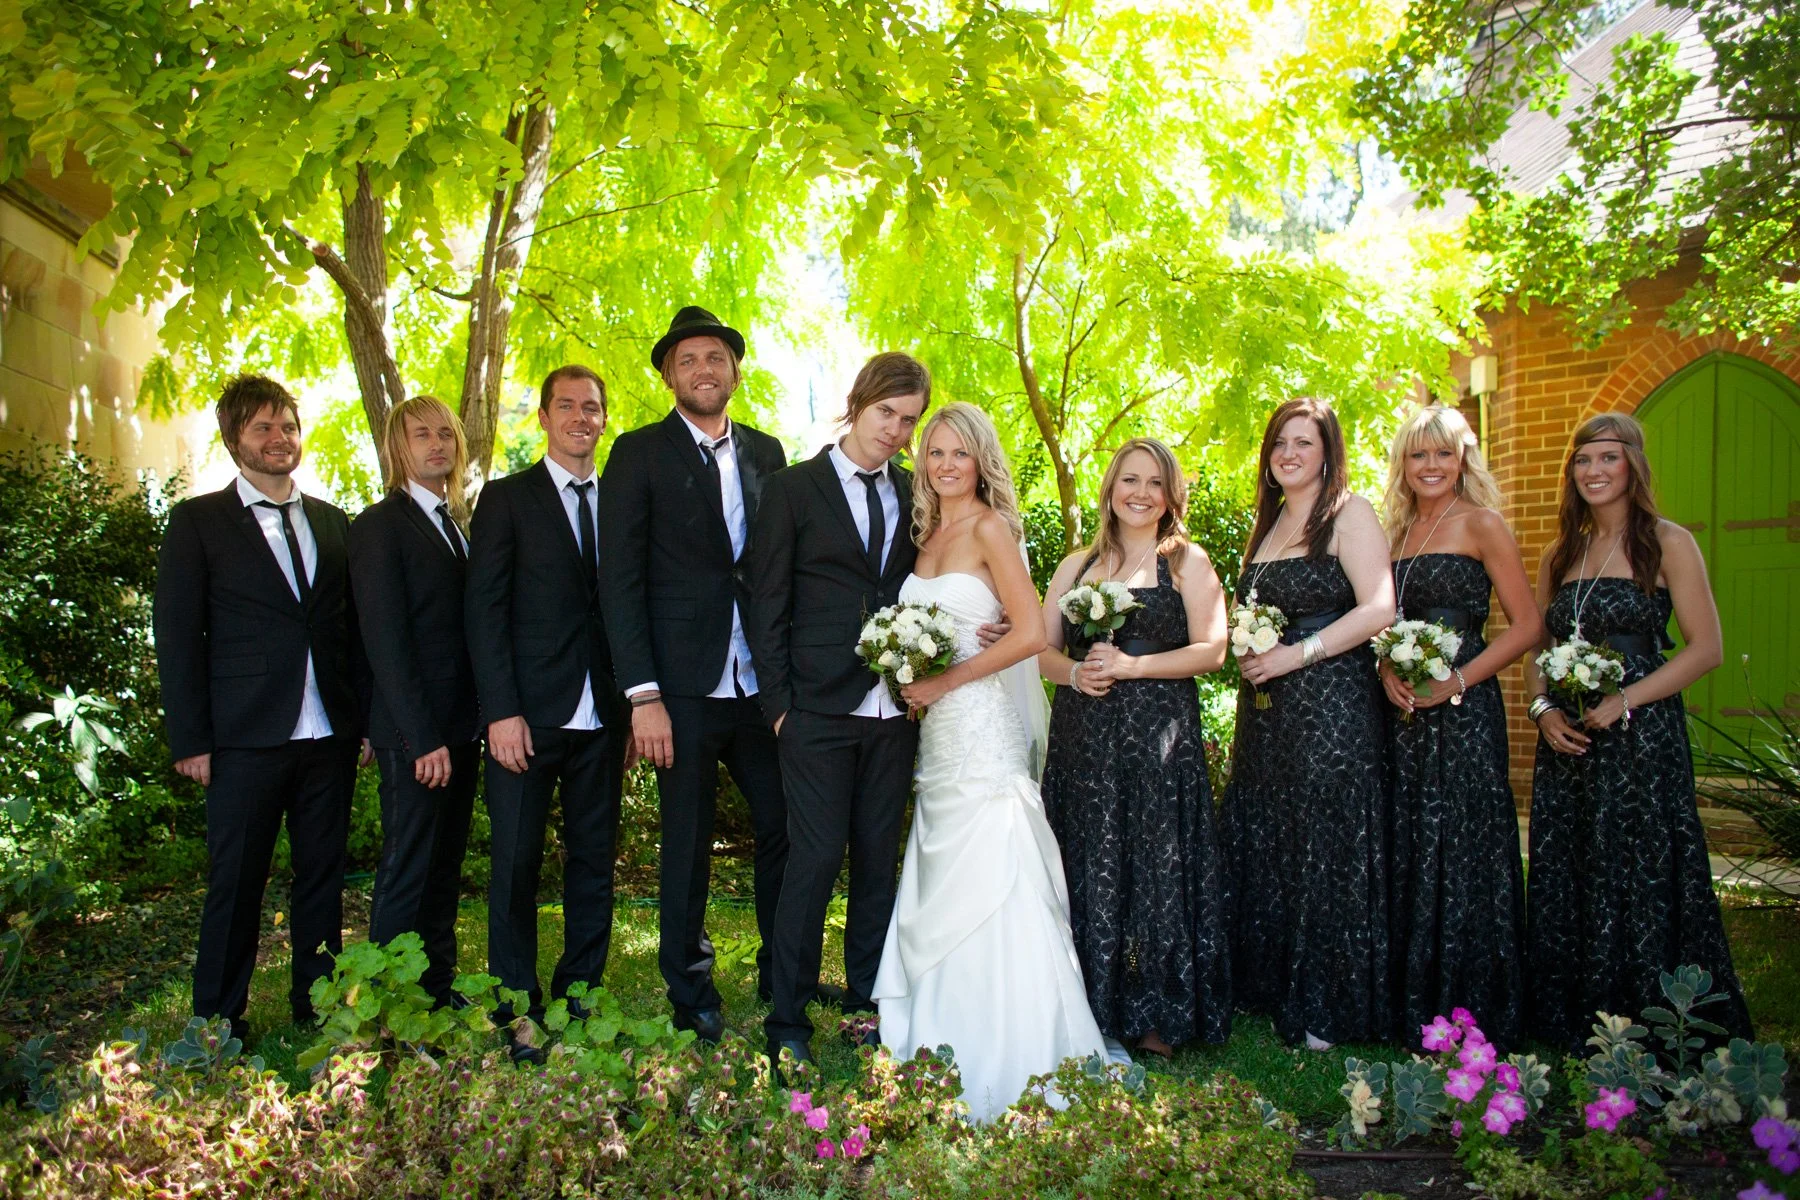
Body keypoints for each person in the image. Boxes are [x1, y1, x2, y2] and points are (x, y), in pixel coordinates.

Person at [871, 403, 1105, 1122]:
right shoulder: (926, 534)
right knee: (943, 866)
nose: (943, 465)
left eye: (958, 454)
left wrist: (942, 681)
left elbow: (1031, 631)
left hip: (980, 725)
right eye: (933, 452)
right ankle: (934, 1042)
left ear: (980, 462)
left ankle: (1013, 1052)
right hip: (938, 734)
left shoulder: (990, 528)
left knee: (996, 872)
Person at [1523, 412, 1752, 1050]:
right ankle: (1576, 1020)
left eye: (1608, 459)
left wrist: (1625, 699)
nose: (1593, 471)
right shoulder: (1560, 552)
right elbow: (1538, 651)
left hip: (1640, 738)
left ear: (1633, 465)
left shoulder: (1667, 542)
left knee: (1640, 866)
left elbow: (1705, 649)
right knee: (1573, 868)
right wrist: (1543, 712)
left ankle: (1654, 1021)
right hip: (1569, 741)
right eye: (1583, 460)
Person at [597, 306, 789, 1043]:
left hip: (757, 687)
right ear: (670, 376)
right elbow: (621, 580)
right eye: (688, 361)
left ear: (735, 371)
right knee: (686, 841)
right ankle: (690, 988)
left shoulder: (769, 455)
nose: (704, 370)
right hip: (676, 692)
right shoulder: (638, 454)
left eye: (716, 357)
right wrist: (642, 695)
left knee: (784, 826)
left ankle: (784, 968)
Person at [154, 374, 364, 1044]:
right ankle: (217, 1019)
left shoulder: (334, 522)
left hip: (327, 733)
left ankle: (319, 1002)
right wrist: (191, 739)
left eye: (288, 426)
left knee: (323, 877)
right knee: (236, 881)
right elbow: (179, 634)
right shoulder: (198, 522)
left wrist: (359, 722)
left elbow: (351, 629)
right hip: (243, 737)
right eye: (263, 428)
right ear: (234, 439)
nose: (280, 440)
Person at [745, 352, 931, 1075]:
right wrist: (780, 709)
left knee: (876, 864)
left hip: (894, 706)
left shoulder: (916, 494)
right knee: (815, 859)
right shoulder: (792, 489)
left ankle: (864, 1001)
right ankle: (786, 1014)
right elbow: (765, 602)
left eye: (909, 420)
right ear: (857, 405)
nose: (896, 430)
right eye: (887, 413)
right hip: (814, 709)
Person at [1036, 437, 1233, 1059]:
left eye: (1155, 482)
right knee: (1088, 861)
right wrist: (1074, 673)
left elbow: (1213, 650)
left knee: (1155, 866)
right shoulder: (1075, 566)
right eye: (1130, 480)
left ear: (1171, 495)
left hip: (1157, 738)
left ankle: (1158, 1011)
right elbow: (1040, 650)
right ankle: (1088, 999)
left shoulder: (1187, 563)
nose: (1141, 493)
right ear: (1110, 488)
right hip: (1083, 741)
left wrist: (1131, 666)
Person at [1218, 397, 1397, 1050]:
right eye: (1279, 444)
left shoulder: (1349, 514)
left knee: (1326, 839)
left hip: (1331, 702)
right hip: (1268, 712)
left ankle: (1329, 1001)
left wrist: (1298, 653)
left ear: (1327, 451)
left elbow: (1380, 608)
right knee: (1272, 834)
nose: (1289, 454)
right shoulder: (1264, 529)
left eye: (1304, 442)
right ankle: (1270, 986)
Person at [465, 365, 627, 1061]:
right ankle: (515, 1001)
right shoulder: (506, 499)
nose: (581, 417)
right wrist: (500, 712)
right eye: (567, 406)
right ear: (543, 417)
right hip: (526, 720)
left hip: (604, 718)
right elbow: (484, 611)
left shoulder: (621, 499)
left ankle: (580, 992)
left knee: (593, 861)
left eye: (592, 407)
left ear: (603, 418)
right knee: (517, 862)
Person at [1378, 404, 1540, 1048]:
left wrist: (1458, 680)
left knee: (1464, 839)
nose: (1431, 466)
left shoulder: (1483, 525)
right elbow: (1379, 621)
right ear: (1403, 464)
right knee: (1410, 835)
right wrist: (1387, 671)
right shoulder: (1393, 534)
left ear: (1463, 459)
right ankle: (1411, 996)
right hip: (1403, 714)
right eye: (1418, 455)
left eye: (1443, 454)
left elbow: (1527, 626)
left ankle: (1475, 1000)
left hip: (1466, 709)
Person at [348, 395, 482, 1009]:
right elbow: (386, 640)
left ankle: (435, 984)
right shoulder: (379, 525)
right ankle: (390, 999)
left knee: (444, 866)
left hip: (458, 730)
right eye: (422, 435)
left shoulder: (452, 522)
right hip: (415, 735)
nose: (437, 445)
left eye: (446, 435)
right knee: (409, 867)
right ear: (398, 447)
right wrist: (420, 737)